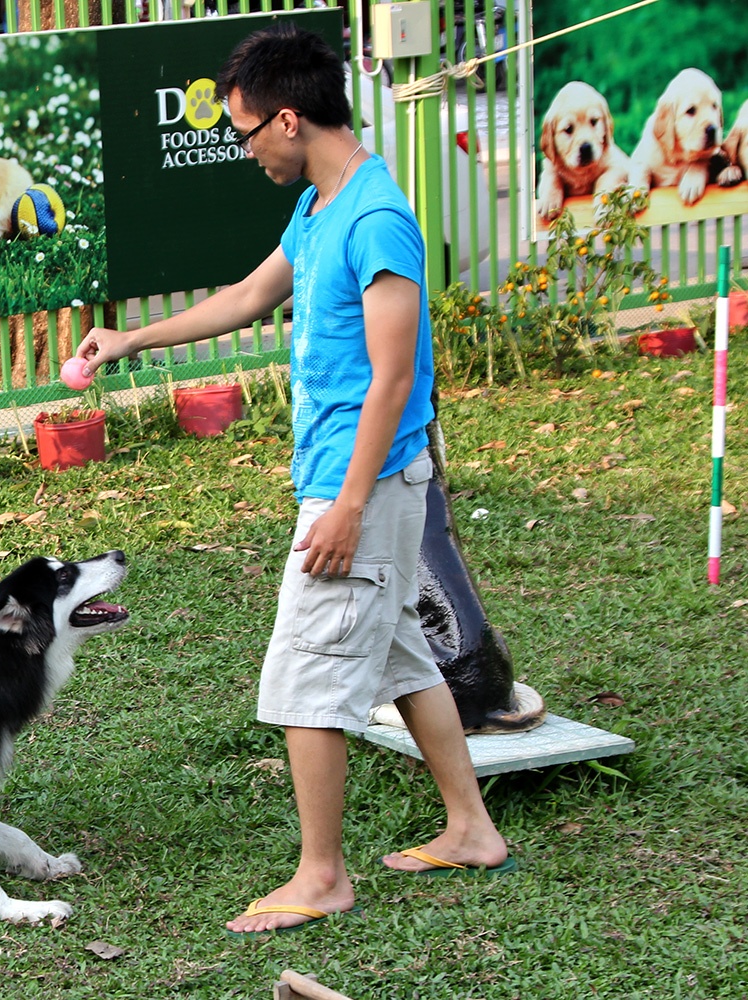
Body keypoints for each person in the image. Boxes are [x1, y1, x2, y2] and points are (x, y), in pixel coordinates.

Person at [75, 23, 509, 935]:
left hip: (365, 483)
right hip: (343, 477)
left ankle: (322, 876)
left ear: (286, 118)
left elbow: (397, 375)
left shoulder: (376, 216)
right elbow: (247, 296)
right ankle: (471, 828)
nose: (241, 150)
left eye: (241, 133)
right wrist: (129, 340)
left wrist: (349, 505)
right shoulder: (321, 207)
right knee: (398, 653)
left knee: (305, 677)